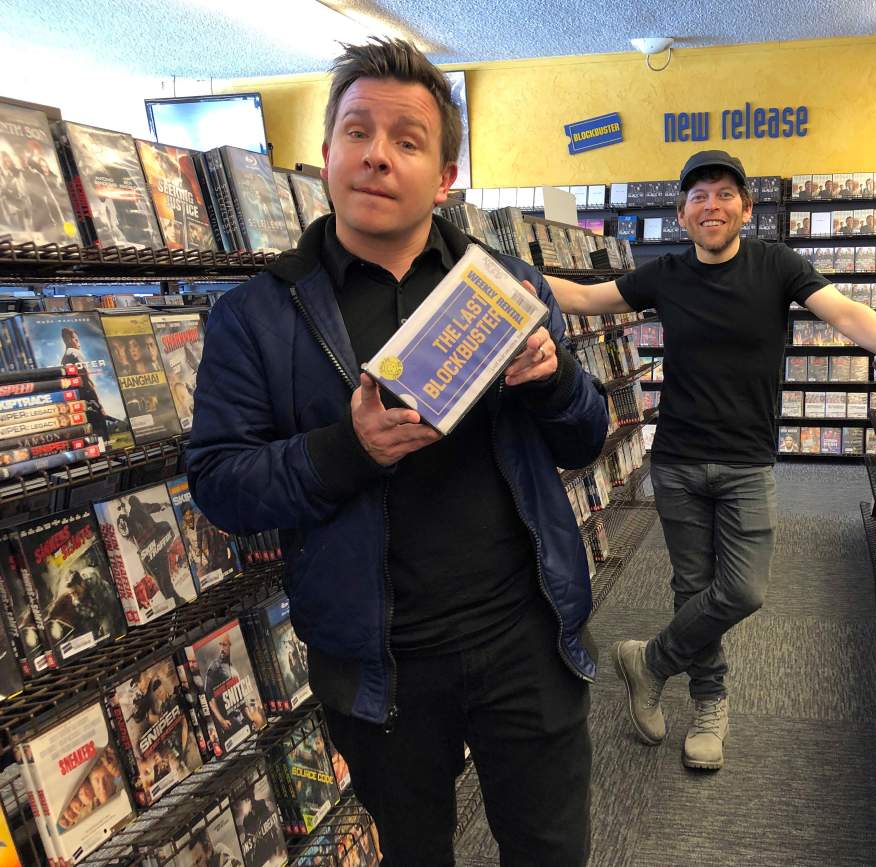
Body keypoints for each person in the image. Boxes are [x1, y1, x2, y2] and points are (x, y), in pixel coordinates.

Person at [187, 37, 608, 866]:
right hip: (379, 667)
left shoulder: (509, 285)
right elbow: (219, 484)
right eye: (357, 132)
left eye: (408, 141)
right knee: (416, 852)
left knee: (553, 848)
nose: (377, 156)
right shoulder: (257, 315)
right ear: (324, 153)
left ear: (446, 176)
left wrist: (554, 382)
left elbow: (587, 435)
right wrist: (347, 449)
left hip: (525, 635)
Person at [545, 149, 876, 771]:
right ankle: (709, 703)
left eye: (725, 194)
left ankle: (650, 661)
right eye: (698, 196)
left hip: (747, 463)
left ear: (746, 209)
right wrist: (502, 273)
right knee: (692, 588)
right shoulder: (664, 274)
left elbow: (848, 313)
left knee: (743, 590)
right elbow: (584, 299)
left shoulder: (777, 265)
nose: (711, 205)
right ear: (681, 213)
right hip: (676, 462)